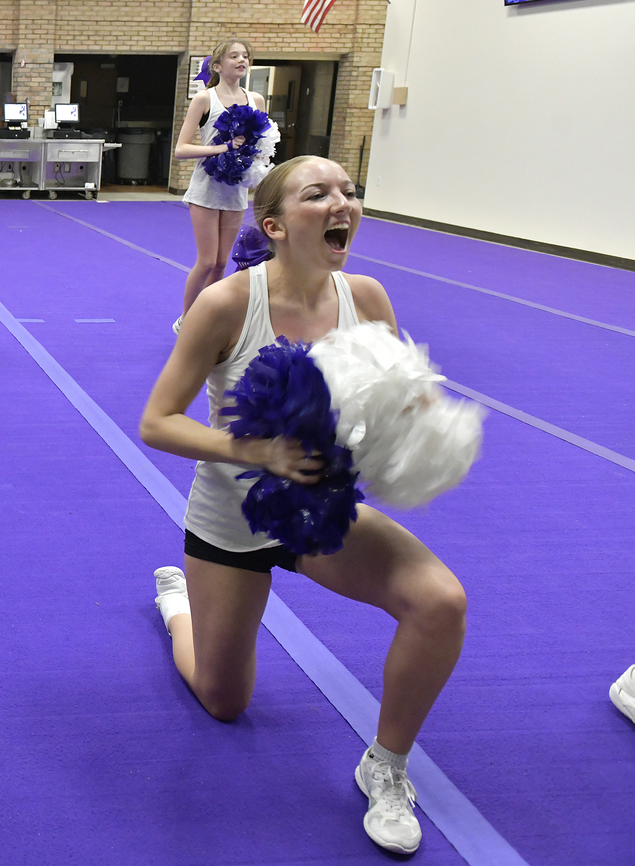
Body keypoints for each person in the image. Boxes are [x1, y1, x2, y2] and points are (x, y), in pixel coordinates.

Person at [138, 156, 468, 856]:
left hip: (324, 514)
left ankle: (387, 766)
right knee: (225, 701)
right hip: (234, 512)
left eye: (349, 191)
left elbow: (396, 398)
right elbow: (158, 422)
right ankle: (178, 605)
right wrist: (259, 454)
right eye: (317, 193)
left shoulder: (369, 298)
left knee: (440, 602)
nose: (341, 201)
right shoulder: (228, 302)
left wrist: (418, 420)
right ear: (276, 226)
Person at [172, 38, 266, 334]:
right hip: (206, 187)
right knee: (206, 260)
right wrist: (223, 148)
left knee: (222, 263)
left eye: (245, 56)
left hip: (236, 188)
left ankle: (211, 320)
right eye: (234, 56)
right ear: (217, 65)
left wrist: (254, 160)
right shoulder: (205, 99)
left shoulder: (256, 100)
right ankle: (187, 320)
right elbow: (181, 149)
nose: (242, 60)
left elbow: (262, 143)